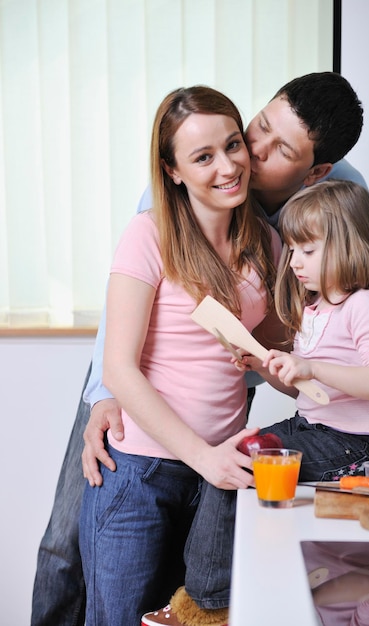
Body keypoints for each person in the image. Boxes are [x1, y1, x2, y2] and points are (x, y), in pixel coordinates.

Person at [30, 72, 369, 626]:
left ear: (314, 171)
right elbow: (123, 341)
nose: (244, 155)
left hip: (219, 420)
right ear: (175, 171)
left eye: (272, 149)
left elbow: (339, 317)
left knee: (176, 583)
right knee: (68, 551)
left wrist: (364, 396)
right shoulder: (156, 220)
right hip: (139, 431)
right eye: (257, 127)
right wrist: (108, 391)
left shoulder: (311, 214)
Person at [141, 180, 369, 626]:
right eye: (292, 250)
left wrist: (312, 368)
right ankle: (210, 594)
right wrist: (264, 367)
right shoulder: (317, 310)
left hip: (354, 444)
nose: (294, 263)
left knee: (241, 464)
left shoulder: (365, 306)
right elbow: (308, 393)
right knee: (231, 456)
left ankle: (207, 603)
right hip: (315, 429)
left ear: (347, 247)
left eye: (307, 251)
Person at [77, 85, 281, 625]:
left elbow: (283, 356)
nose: (228, 166)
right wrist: (205, 457)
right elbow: (119, 367)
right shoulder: (148, 236)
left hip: (217, 481)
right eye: (203, 157)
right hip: (138, 474)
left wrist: (316, 374)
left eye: (233, 145)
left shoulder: (269, 243)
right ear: (172, 171)